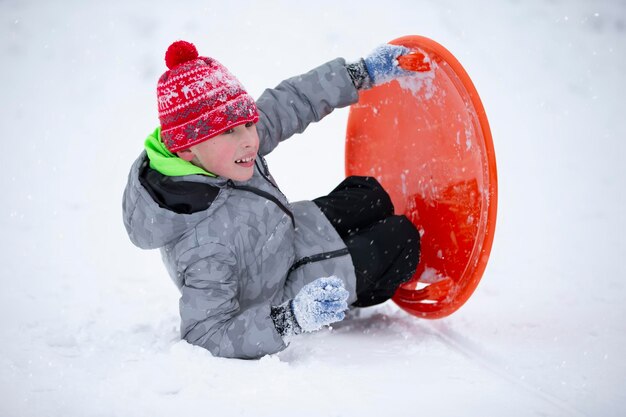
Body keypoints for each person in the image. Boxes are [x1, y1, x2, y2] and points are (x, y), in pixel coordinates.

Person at [122, 40, 421, 359]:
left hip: (289, 233)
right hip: (288, 287)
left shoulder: (218, 151)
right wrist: (290, 318)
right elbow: (205, 333)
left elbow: (290, 102)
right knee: (401, 239)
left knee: (369, 194)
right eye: (231, 132)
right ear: (185, 149)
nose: (250, 140)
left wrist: (361, 72)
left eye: (249, 124)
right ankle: (383, 273)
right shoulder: (201, 247)